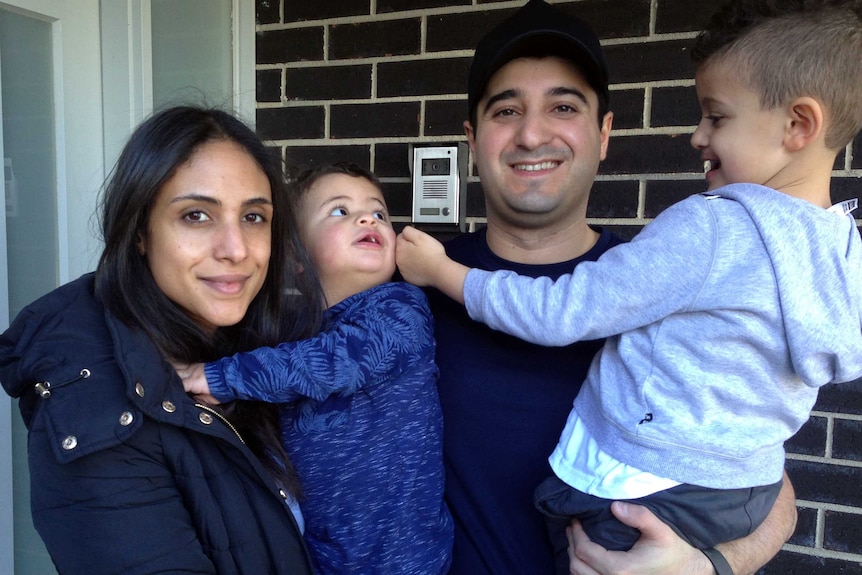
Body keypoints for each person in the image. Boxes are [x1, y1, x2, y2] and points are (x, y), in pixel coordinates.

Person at [397, 0, 862, 573]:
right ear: (473, 138)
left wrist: (708, 567)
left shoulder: (673, 284)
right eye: (506, 111)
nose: (532, 133)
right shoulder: (406, 289)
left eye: (563, 107)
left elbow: (766, 485)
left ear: (605, 134)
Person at [0, 106, 325, 574]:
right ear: (139, 232)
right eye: (196, 215)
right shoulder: (100, 417)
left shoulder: (252, 349)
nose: (235, 249)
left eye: (254, 217)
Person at [177, 163, 453, 575]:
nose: (367, 218)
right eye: (339, 211)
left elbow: (334, 363)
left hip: (402, 556)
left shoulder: (401, 308)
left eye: (379, 214)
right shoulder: (298, 332)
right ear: (296, 254)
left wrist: (219, 376)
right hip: (323, 555)